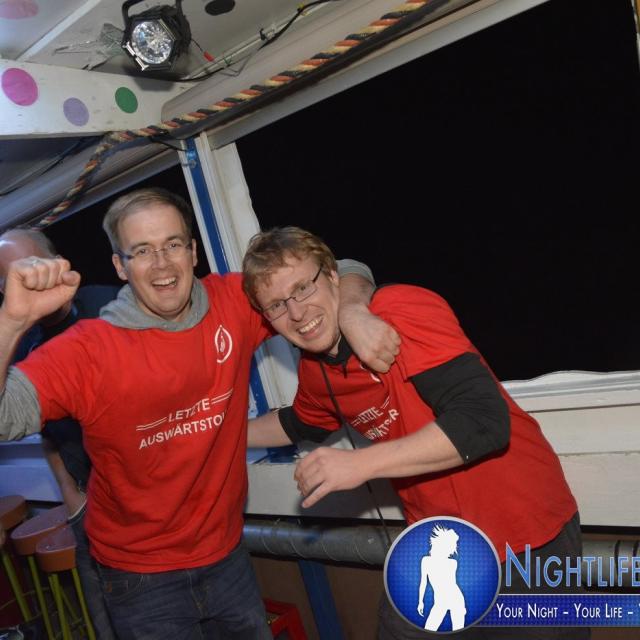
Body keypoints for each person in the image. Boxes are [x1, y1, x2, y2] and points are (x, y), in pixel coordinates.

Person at [0, 188, 399, 639]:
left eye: (172, 244)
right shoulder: (88, 350)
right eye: (142, 251)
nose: (162, 264)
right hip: (139, 576)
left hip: (227, 556)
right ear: (120, 266)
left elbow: (343, 270)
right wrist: (12, 321)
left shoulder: (233, 302)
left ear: (193, 252)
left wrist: (353, 312)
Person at [242, 226, 589, 640]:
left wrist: (360, 464)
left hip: (526, 528)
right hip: (440, 538)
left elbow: (483, 422)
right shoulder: (316, 373)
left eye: (303, 287)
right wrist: (223, 434)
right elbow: (296, 423)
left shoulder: (399, 309)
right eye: (277, 305)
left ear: (332, 276)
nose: (297, 313)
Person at [0, 229, 119, 639]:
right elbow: (46, 432)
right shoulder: (18, 346)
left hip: (157, 499)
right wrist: (73, 499)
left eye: (36, 264)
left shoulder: (112, 307)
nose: (33, 279)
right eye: (14, 276)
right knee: (109, 623)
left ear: (60, 261)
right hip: (93, 510)